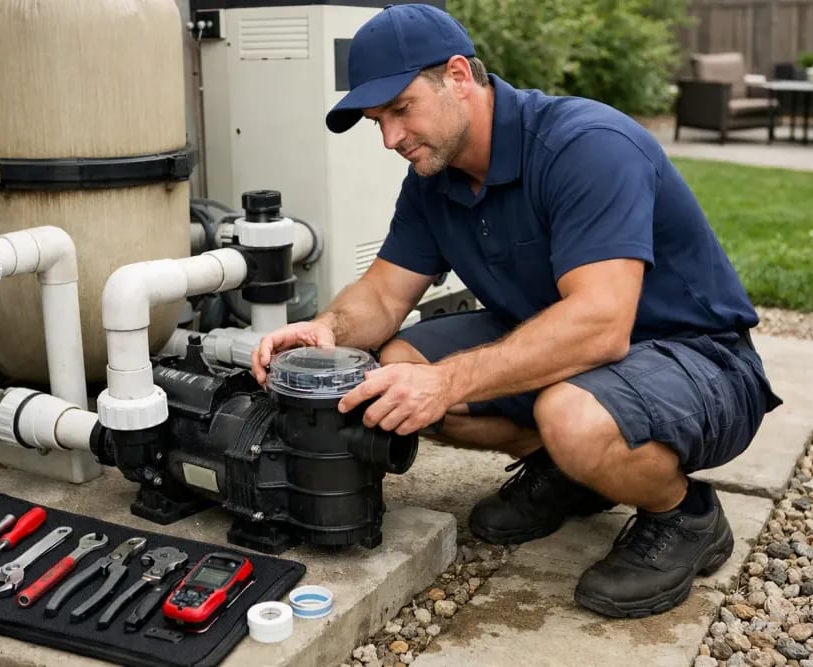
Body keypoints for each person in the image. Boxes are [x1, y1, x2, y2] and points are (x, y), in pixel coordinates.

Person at [251, 4, 781, 618]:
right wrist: (327, 330)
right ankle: (575, 473)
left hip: (698, 357)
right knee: (395, 370)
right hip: (577, 349)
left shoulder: (587, 146)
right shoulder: (435, 177)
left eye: (401, 110)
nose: (391, 138)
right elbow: (385, 295)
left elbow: (602, 326)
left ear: (457, 76)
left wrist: (446, 379)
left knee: (568, 416)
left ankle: (685, 516)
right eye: (378, 121)